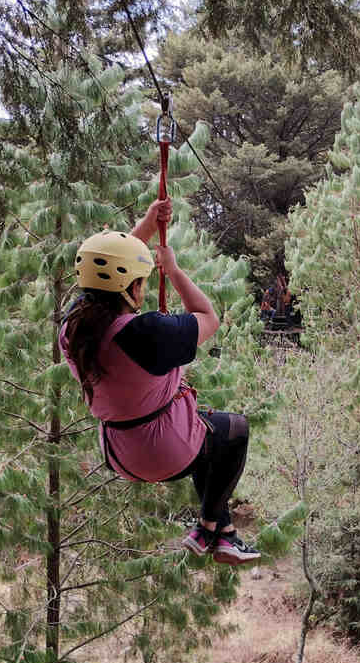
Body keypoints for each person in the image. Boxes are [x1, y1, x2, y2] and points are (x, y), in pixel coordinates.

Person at [58, 198, 261, 565]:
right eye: (140, 281)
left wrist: (149, 224)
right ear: (131, 286)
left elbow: (105, 276)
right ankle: (208, 526)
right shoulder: (146, 334)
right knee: (234, 430)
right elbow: (208, 317)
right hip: (162, 451)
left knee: (207, 436)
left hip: (118, 451)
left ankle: (224, 534)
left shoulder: (73, 329)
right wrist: (174, 272)